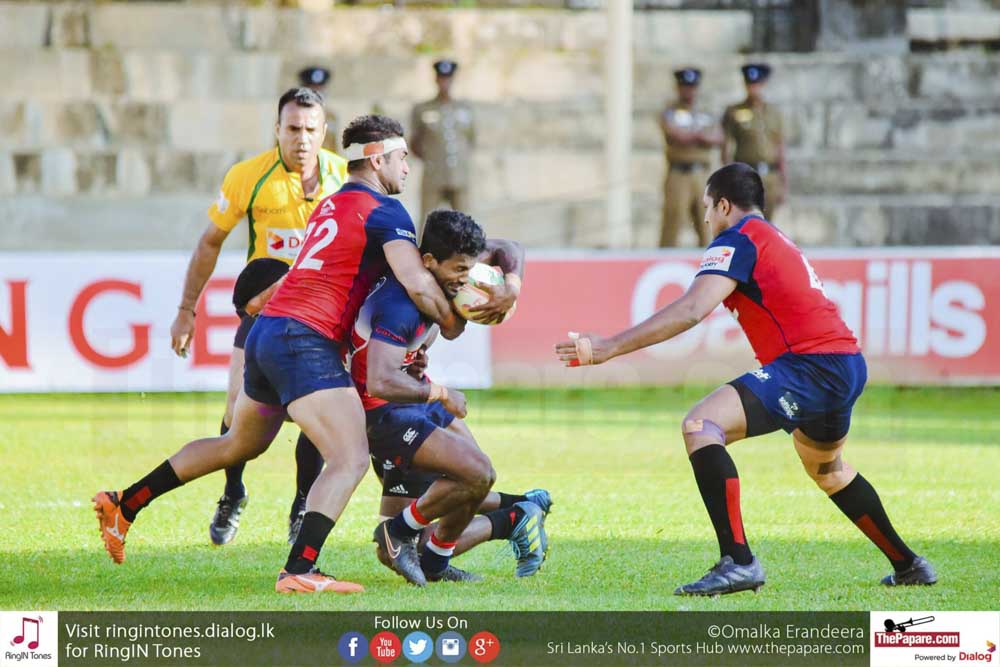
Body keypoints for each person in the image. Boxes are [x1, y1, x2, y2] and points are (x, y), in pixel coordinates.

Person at [94, 114, 481, 595]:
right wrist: (456, 319)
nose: (407, 167)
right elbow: (418, 283)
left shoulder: (330, 204)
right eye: (402, 158)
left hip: (268, 332)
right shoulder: (387, 211)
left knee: (237, 445)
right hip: (305, 338)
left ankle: (125, 503)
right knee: (349, 457)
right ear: (378, 158)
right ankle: (300, 568)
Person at [556, 163, 937, 596]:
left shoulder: (737, 239)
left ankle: (738, 563)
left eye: (707, 207)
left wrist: (608, 347)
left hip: (810, 366)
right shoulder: (770, 236)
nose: (705, 219)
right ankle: (910, 565)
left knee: (701, 425)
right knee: (828, 470)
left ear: (724, 205)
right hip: (844, 363)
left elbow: (691, 309)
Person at [167, 87, 346, 547]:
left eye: (310, 129)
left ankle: (303, 503)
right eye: (293, 128)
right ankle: (233, 492)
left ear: (324, 132)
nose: (302, 139)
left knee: (317, 411)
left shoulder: (345, 179)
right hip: (265, 311)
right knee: (236, 410)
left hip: (322, 315)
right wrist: (186, 310)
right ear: (277, 129)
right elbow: (211, 241)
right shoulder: (249, 176)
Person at [348, 210, 547, 584]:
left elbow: (509, 247)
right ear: (428, 261)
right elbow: (379, 381)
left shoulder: (447, 266)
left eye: (470, 268)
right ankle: (405, 531)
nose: (466, 279)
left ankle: (439, 560)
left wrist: (511, 286)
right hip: (381, 413)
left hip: (414, 396)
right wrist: (441, 393)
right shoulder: (401, 304)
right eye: (459, 270)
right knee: (472, 475)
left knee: (477, 477)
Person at [659, 67, 723, 248]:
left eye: (692, 87)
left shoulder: (705, 112)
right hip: (678, 172)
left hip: (701, 173)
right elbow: (676, 136)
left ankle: (710, 259)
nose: (689, 91)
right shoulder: (671, 111)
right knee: (672, 222)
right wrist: (700, 136)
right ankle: (666, 258)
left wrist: (693, 135)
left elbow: (718, 137)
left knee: (707, 223)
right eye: (685, 86)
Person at [410, 60, 476, 225]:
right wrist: (431, 159)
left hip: (459, 175)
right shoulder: (423, 109)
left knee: (464, 224)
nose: (444, 82)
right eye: (441, 78)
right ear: (436, 79)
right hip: (434, 175)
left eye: (448, 78)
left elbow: (471, 139)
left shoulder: (465, 108)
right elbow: (414, 142)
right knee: (427, 221)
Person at [721, 64, 786, 220]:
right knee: (745, 222)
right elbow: (726, 147)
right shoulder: (734, 111)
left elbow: (780, 147)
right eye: (749, 84)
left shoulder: (773, 112)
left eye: (756, 84)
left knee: (767, 224)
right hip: (746, 175)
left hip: (769, 176)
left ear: (763, 84)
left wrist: (783, 183)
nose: (753, 88)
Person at [298, 66, 340, 153]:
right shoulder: (291, 115)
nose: (317, 93)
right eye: (312, 89)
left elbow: (333, 147)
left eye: (320, 89)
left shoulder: (330, 117)